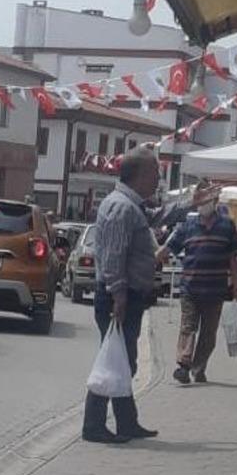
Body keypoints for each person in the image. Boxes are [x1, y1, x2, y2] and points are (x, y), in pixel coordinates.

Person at [82, 147, 163, 445]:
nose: (158, 180)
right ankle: (93, 425)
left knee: (124, 360)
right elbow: (114, 256)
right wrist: (118, 294)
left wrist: (188, 204)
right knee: (115, 360)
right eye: (155, 174)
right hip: (119, 296)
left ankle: (127, 422)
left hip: (128, 294)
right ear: (140, 175)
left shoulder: (131, 206)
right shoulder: (121, 207)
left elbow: (153, 218)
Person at [157, 191, 237, 384]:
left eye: (206, 200)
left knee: (208, 333)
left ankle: (198, 367)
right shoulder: (187, 226)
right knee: (188, 327)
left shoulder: (226, 226)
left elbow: (233, 258)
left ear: (215, 201)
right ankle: (183, 365)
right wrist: (154, 256)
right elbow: (168, 248)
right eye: (200, 200)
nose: (202, 204)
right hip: (190, 288)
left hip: (215, 290)